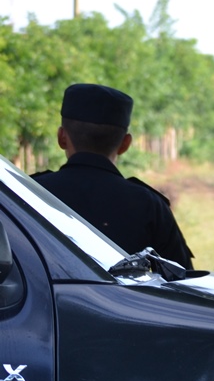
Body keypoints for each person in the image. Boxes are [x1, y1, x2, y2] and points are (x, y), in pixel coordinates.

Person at [33, 83, 194, 269]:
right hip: (124, 300)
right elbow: (181, 282)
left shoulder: (30, 194)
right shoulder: (149, 206)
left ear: (61, 137)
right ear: (125, 144)